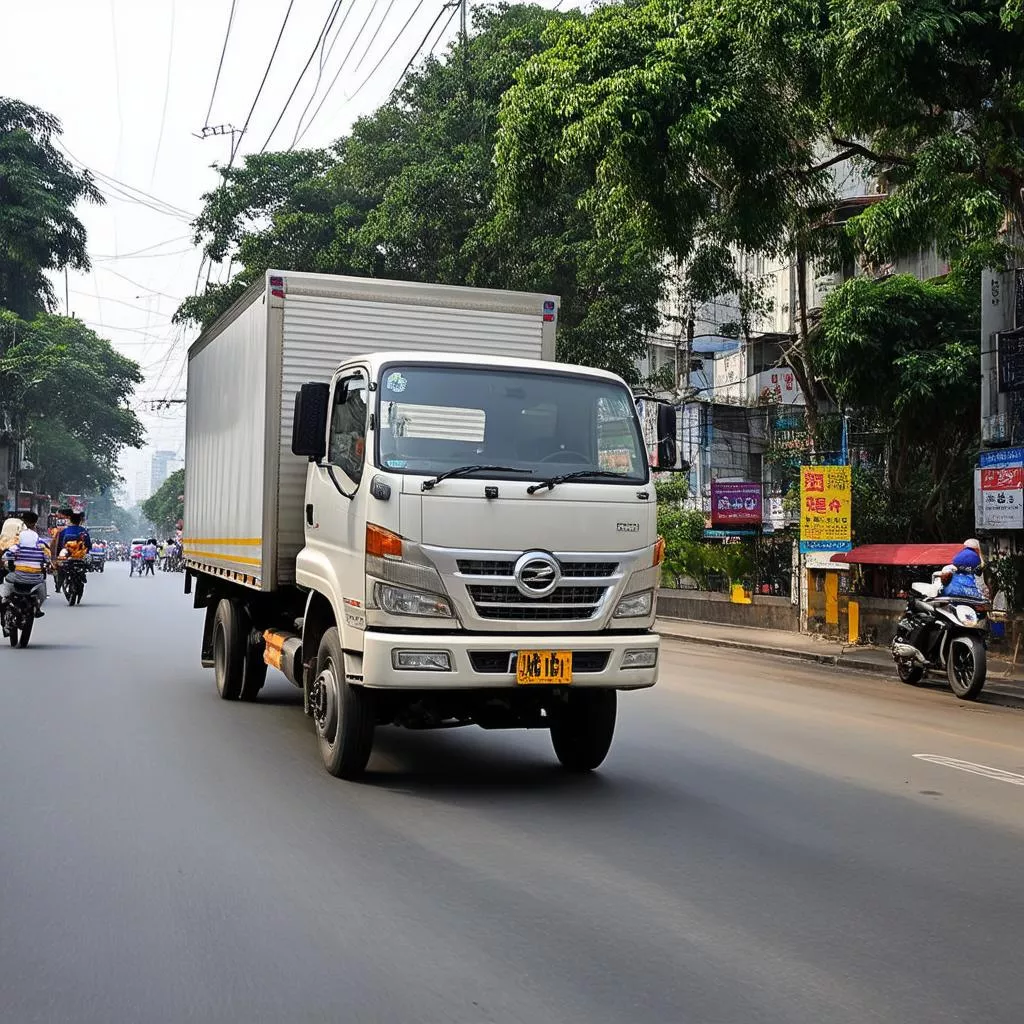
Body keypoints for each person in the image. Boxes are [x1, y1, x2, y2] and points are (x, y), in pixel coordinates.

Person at [0, 516, 50, 625]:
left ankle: (5, 599)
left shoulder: (15, 547)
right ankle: (37, 608)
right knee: (43, 587)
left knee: (6, 581)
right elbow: (47, 560)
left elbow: (6, 557)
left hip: (17, 577)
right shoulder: (41, 548)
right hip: (36, 580)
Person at [53, 512, 92, 594]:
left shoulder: (64, 531)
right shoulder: (84, 531)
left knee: (60, 569)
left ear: (70, 520)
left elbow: (59, 546)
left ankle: (58, 586)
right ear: (80, 521)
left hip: (67, 556)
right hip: (80, 557)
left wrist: (56, 557)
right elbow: (88, 545)